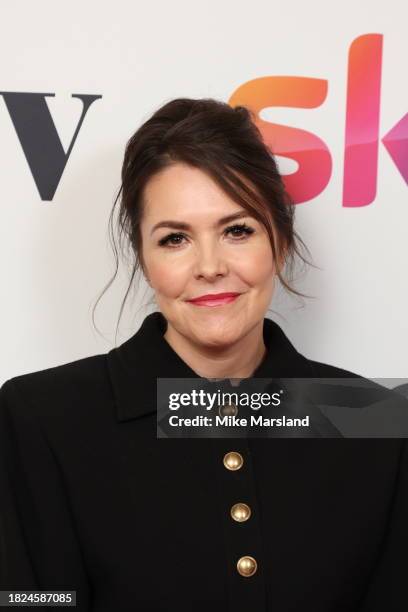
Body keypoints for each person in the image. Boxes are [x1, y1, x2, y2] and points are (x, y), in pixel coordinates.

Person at [0, 98, 407, 611]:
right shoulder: (42, 417)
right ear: (144, 258)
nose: (210, 266)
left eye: (238, 230)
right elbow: (33, 601)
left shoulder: (374, 419)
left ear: (279, 241)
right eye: (175, 239)